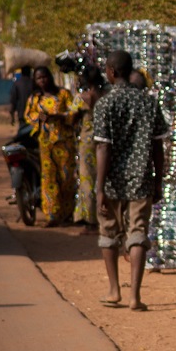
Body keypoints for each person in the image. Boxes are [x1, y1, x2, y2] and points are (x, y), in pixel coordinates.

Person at [94, 50, 168, 312]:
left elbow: (103, 148)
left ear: (112, 71)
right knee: (138, 233)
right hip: (141, 180)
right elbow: (158, 148)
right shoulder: (149, 103)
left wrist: (100, 188)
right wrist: (159, 181)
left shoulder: (104, 104)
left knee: (109, 233)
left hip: (112, 180)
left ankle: (114, 291)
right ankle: (135, 296)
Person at [24, 65, 78, 227]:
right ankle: (52, 215)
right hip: (46, 142)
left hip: (64, 142)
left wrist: (61, 116)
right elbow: (29, 115)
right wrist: (40, 117)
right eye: (39, 78)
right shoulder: (34, 98)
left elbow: (73, 111)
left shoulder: (63, 94)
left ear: (50, 77)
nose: (42, 81)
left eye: (44, 77)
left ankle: (67, 214)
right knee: (49, 178)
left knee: (66, 177)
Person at [73, 65, 108, 231]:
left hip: (87, 142)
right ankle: (104, 219)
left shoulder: (81, 98)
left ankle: (89, 221)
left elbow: (70, 118)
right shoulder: (106, 97)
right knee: (102, 179)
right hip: (105, 140)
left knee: (87, 180)